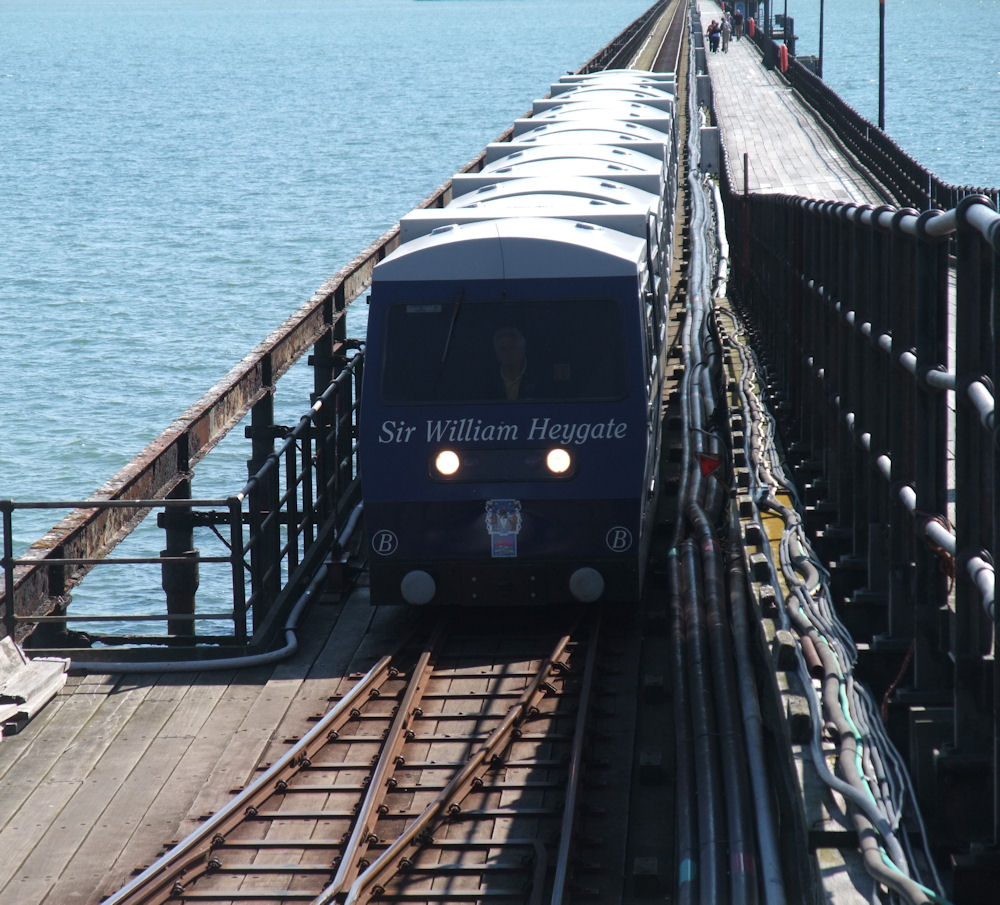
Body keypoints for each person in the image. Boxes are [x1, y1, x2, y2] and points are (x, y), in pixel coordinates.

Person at [492, 326, 531, 400]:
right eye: (503, 349)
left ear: (522, 350)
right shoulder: (488, 380)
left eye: (512, 348)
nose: (507, 353)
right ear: (496, 353)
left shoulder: (539, 377)